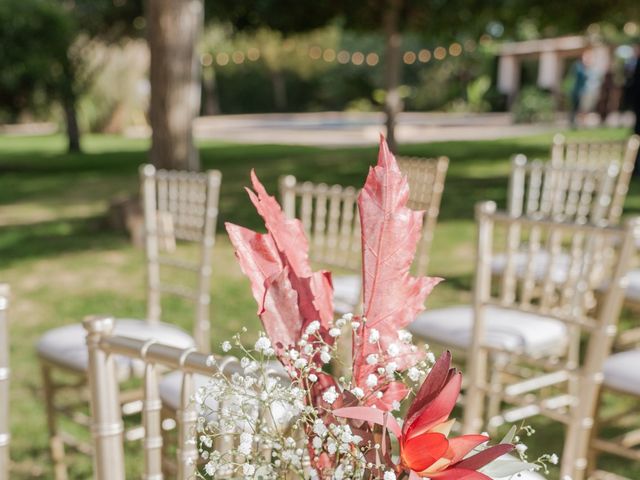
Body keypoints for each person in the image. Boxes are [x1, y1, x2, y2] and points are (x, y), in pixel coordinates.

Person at [569, 50, 593, 128]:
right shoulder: (578, 66)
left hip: (583, 91)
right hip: (576, 91)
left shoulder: (587, 67)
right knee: (575, 108)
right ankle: (573, 123)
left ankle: (581, 123)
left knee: (582, 108)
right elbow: (580, 76)